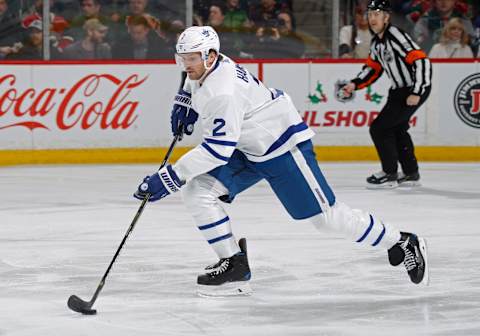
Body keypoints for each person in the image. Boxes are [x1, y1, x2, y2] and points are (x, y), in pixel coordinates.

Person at [133, 25, 429, 297]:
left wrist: (170, 176)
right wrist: (184, 100)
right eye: (182, 58)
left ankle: (401, 241)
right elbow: (193, 82)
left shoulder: (221, 92)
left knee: (326, 219)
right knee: (198, 191)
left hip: (282, 147)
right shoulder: (209, 65)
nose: (186, 65)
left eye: (192, 59)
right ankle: (234, 264)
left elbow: (217, 149)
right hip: (249, 145)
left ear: (210, 56)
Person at [342, 0, 432, 189]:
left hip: (412, 88)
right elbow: (373, 69)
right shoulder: (377, 42)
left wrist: (417, 91)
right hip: (399, 90)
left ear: (386, 17)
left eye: (377, 14)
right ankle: (410, 173)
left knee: (379, 128)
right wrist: (354, 84)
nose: (372, 18)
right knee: (397, 128)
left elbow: (422, 61)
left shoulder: (395, 36)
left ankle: (390, 174)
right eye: (370, 14)